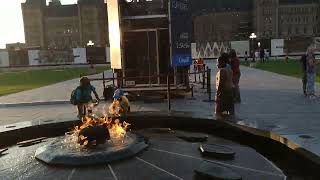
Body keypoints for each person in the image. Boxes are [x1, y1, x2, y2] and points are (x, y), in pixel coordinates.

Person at [215, 53, 234, 119]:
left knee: (218, 112)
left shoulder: (222, 71)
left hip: (223, 94)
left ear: (222, 62)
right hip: (230, 92)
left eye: (218, 62)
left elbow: (221, 83)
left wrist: (218, 94)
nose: (217, 64)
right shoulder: (230, 69)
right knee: (231, 112)